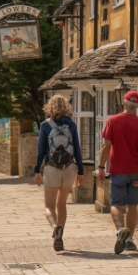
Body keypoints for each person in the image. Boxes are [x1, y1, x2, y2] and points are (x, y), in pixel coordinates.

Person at [97, 90, 138, 254]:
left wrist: (100, 167)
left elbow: (106, 146)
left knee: (116, 204)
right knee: (132, 206)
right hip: (135, 171)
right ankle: (129, 240)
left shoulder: (113, 121)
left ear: (124, 103)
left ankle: (121, 230)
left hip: (118, 170)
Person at [34, 95, 84, 251]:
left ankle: (55, 227)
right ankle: (60, 236)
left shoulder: (45, 125)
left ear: (50, 107)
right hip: (69, 168)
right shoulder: (72, 126)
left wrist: (37, 170)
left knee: (49, 206)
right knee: (61, 204)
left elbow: (41, 150)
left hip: (51, 167)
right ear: (66, 107)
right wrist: (81, 171)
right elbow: (77, 149)